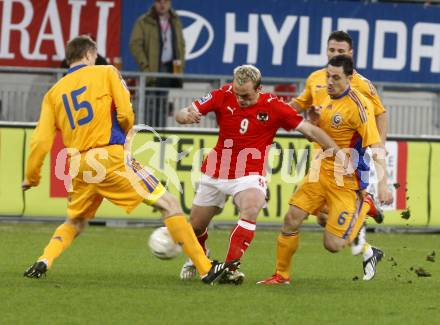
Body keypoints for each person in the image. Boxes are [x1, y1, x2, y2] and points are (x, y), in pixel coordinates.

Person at [22, 35, 235, 284]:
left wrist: (32, 176)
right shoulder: (106, 72)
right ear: (90, 54)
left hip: (78, 164)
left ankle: (44, 260)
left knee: (76, 220)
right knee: (168, 204)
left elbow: (40, 141)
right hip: (110, 156)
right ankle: (206, 268)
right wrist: (126, 133)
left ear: (69, 58)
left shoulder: (53, 94)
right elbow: (125, 111)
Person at [175, 64, 343, 284]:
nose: (240, 99)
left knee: (251, 207)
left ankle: (229, 267)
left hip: (249, 173)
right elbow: (183, 112)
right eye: (237, 94)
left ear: (259, 88)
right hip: (217, 169)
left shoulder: (274, 106)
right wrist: (185, 116)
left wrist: (339, 153)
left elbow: (309, 130)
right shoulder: (222, 94)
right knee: (195, 227)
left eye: (245, 95)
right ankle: (201, 255)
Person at [257, 55, 389, 285]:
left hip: (346, 181)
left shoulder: (359, 107)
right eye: (328, 75)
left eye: (336, 77)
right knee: (291, 218)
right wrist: (313, 120)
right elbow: (319, 131)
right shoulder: (324, 98)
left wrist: (384, 184)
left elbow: (375, 145)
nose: (329, 81)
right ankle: (282, 275)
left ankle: (365, 203)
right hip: (319, 172)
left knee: (333, 245)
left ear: (349, 78)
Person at [290, 30, 392, 256]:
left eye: (341, 51)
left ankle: (363, 207)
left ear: (351, 54)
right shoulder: (317, 78)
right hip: (321, 161)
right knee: (322, 218)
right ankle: (361, 235)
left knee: (332, 240)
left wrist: (378, 145)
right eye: (332, 50)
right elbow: (299, 105)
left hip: (348, 160)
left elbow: (381, 114)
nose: (335, 54)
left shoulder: (363, 86)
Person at [129, 0, 185, 128]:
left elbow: (181, 44)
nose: (162, 5)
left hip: (168, 68)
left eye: (165, 2)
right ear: (155, 3)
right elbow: (135, 44)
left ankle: (159, 137)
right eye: (159, 1)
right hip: (152, 69)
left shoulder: (175, 21)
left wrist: (180, 65)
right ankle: (148, 135)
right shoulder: (144, 21)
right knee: (150, 104)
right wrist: (145, 66)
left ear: (170, 3)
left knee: (163, 104)